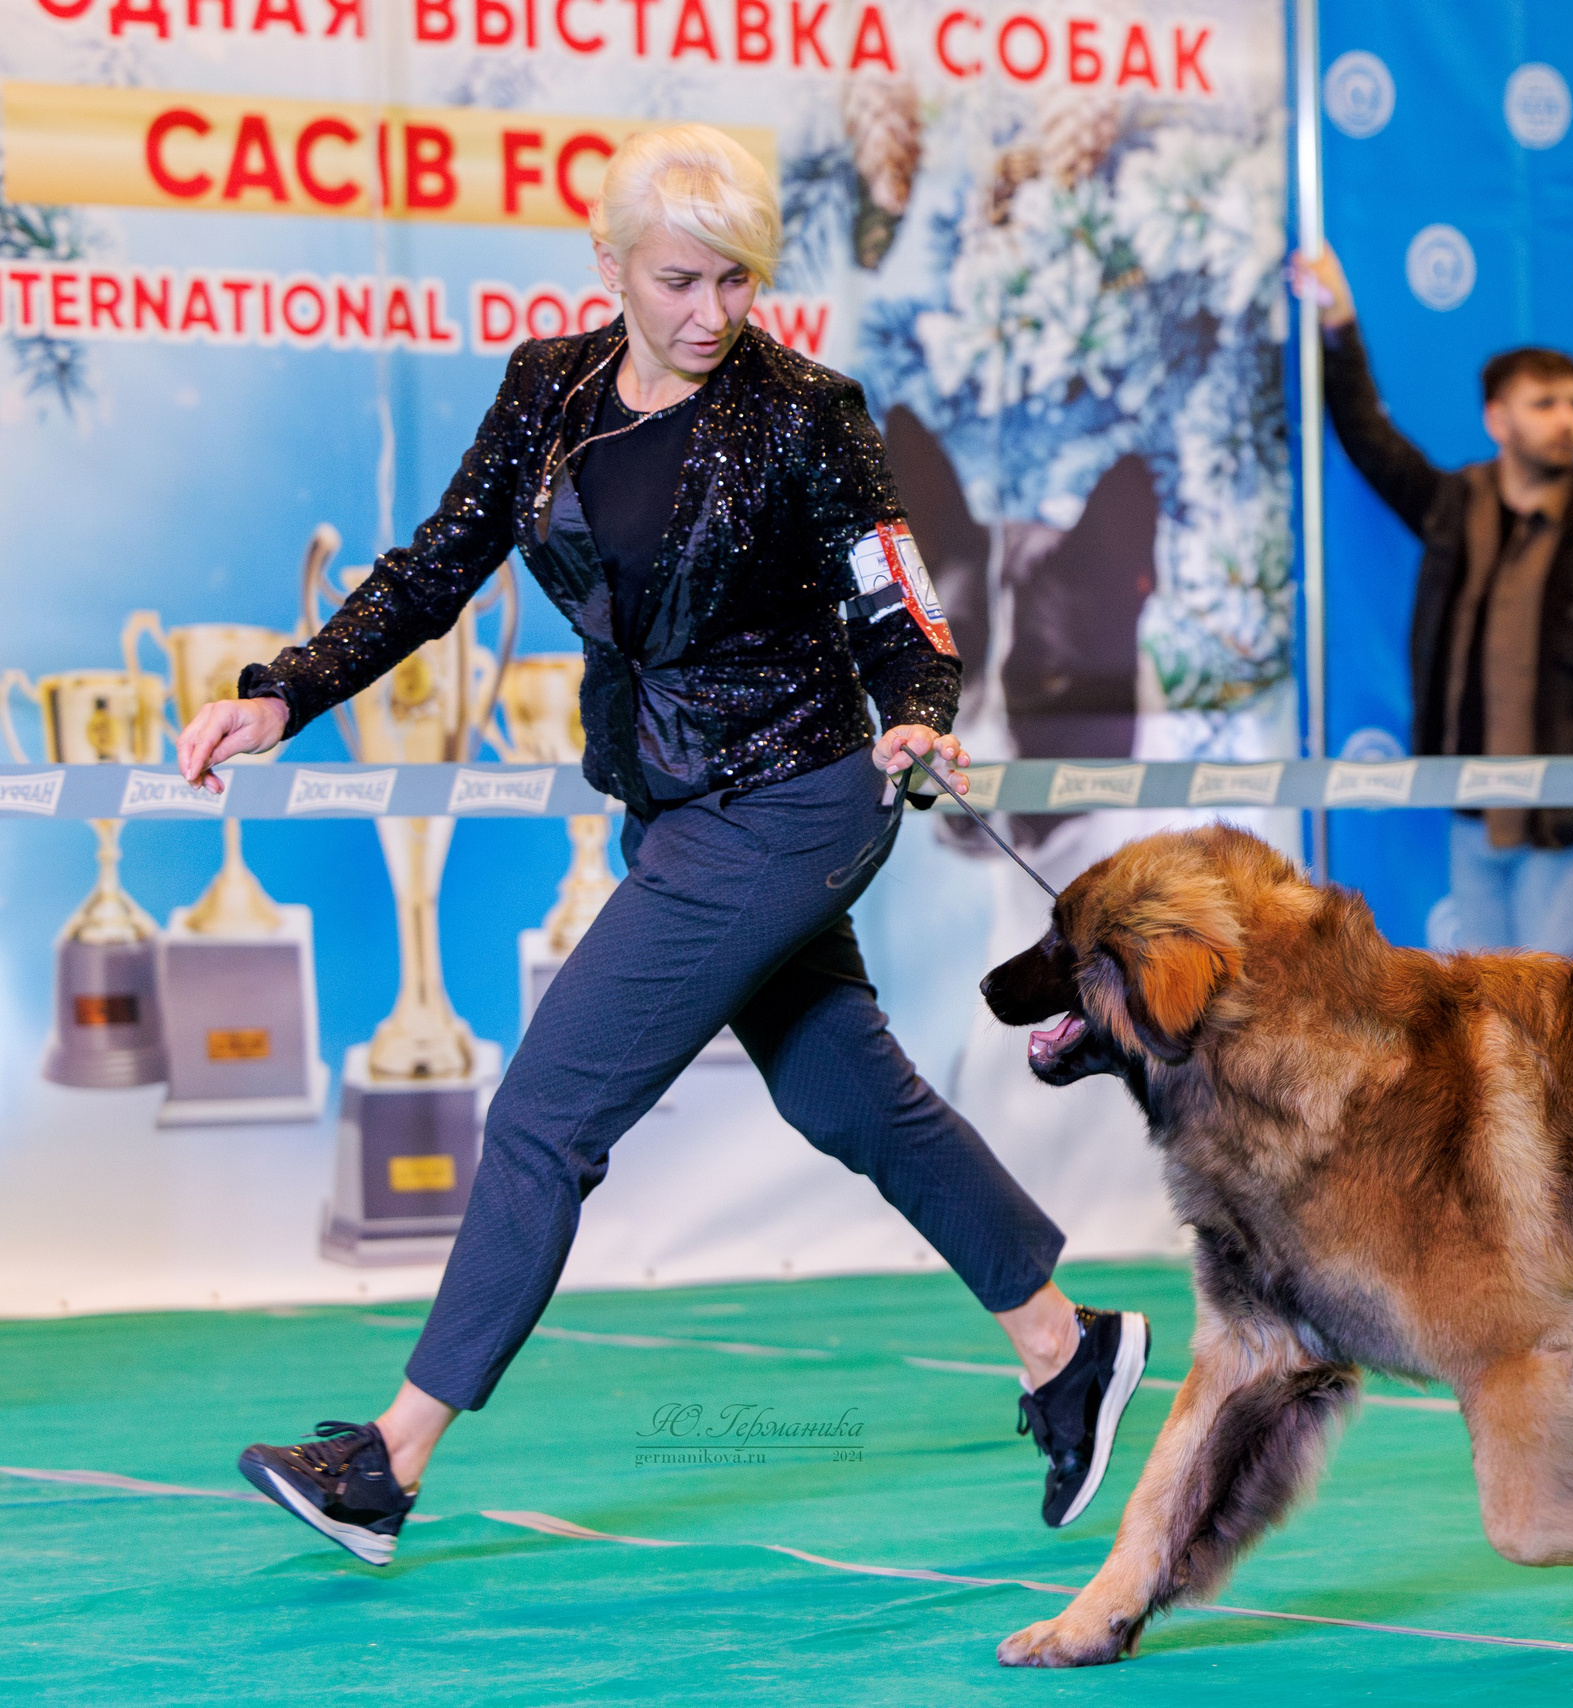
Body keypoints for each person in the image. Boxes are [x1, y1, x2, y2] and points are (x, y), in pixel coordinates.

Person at [175, 125, 1148, 1565]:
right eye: (682, 279)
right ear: (611, 263)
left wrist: (921, 711)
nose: (712, 313)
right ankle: (1065, 1345)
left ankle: (388, 1461)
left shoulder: (808, 410)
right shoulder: (546, 390)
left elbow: (895, 595)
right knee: (848, 1099)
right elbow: (440, 565)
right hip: (678, 805)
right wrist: (286, 692)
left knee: (544, 1117)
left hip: (798, 799)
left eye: (738, 281)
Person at [1294, 247, 1573, 956]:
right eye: (1545, 404)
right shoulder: (1454, 509)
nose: (1567, 420)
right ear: (1498, 420)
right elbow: (1370, 443)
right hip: (1474, 818)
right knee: (1487, 1014)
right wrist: (1338, 324)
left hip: (1567, 830)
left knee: (1552, 1021)